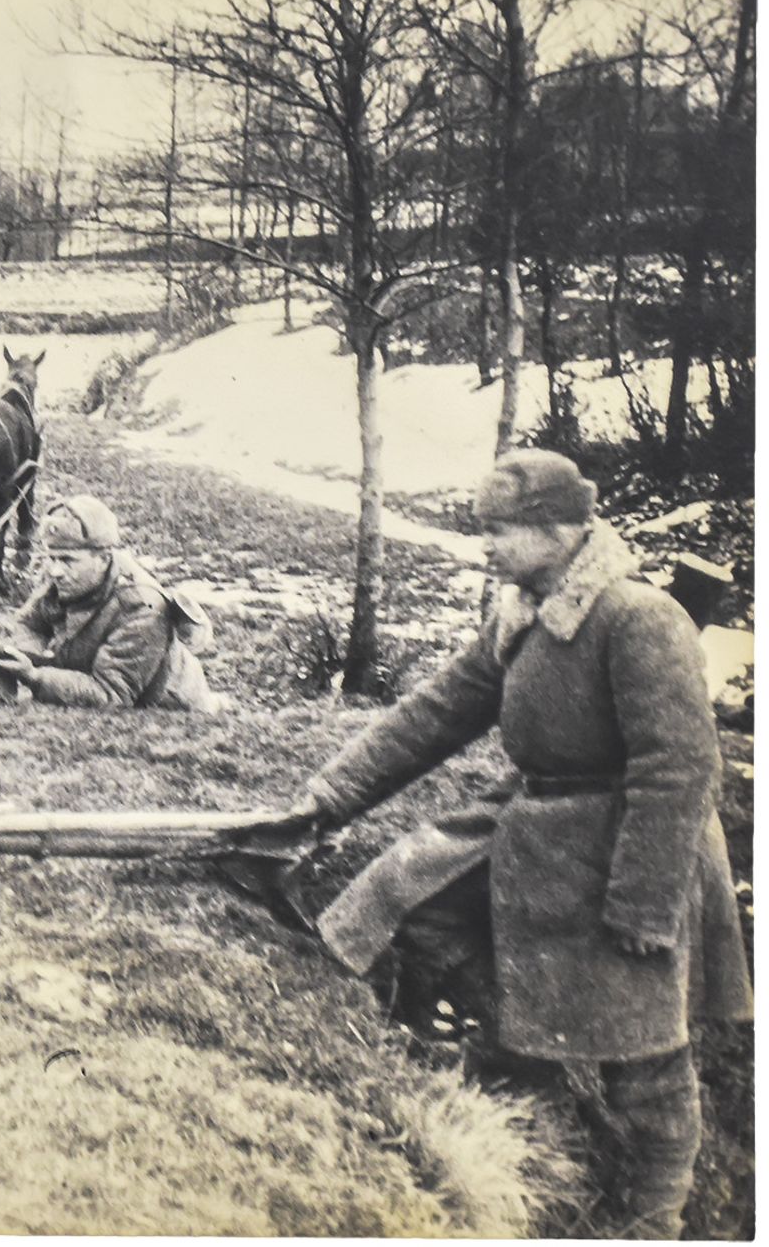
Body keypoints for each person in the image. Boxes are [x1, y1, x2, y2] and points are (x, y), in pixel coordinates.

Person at [265, 450, 751, 1238]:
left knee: (647, 1060)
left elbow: (681, 768)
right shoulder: (519, 613)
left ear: (561, 530)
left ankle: (652, 1219)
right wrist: (324, 800)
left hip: (635, 848)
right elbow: (432, 716)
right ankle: (527, 1058)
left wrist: (644, 902)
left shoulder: (636, 617)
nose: (485, 547)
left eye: (500, 531)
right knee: (413, 902)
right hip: (539, 829)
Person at [0, 494, 221, 711]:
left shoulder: (141, 606)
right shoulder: (62, 575)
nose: (55, 571)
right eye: (51, 557)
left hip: (171, 705)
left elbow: (111, 693)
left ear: (104, 558)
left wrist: (35, 675)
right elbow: (28, 624)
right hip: (88, 674)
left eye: (67, 559)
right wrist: (36, 656)